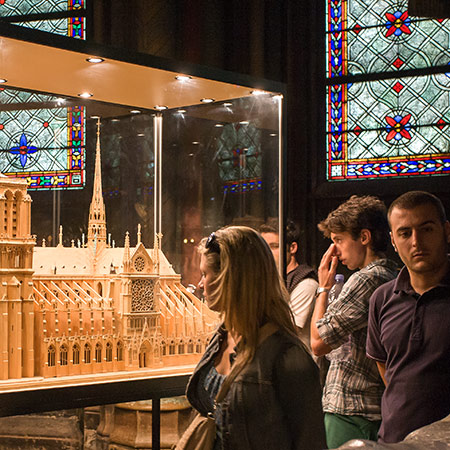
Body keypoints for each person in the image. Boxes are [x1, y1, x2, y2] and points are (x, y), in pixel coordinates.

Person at [184, 226, 326, 450]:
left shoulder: (288, 357)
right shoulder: (221, 335)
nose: (200, 284)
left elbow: (310, 442)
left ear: (230, 278)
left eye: (205, 274)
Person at [310, 195, 398, 449]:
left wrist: (323, 288)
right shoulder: (390, 273)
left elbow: (318, 341)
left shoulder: (367, 279)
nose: (334, 251)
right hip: (365, 409)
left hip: (353, 409)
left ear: (364, 237)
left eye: (339, 240)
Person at [367, 191, 450, 443]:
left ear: (446, 230)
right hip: (393, 441)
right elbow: (387, 368)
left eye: (426, 229)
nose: (416, 242)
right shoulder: (382, 298)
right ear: (393, 240)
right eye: (405, 233)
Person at [260, 220, 318, 350]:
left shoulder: (306, 283)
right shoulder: (272, 279)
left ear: (292, 248)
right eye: (264, 247)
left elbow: (288, 330)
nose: (267, 253)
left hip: (297, 363)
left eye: (274, 246)